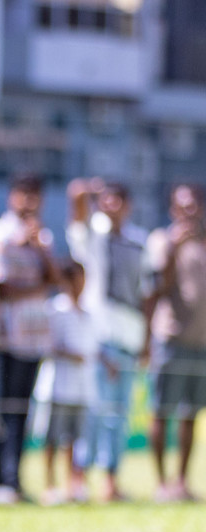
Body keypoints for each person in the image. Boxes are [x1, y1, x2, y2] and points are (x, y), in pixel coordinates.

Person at [67, 178, 149, 503]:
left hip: (130, 338)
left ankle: (110, 483)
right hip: (98, 340)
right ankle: (79, 479)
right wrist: (89, 190)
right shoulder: (93, 236)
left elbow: (145, 295)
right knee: (94, 413)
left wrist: (146, 341)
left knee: (120, 416)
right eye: (108, 201)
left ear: (129, 205)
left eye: (119, 200)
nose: (112, 207)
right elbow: (75, 200)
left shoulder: (138, 242)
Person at [0, 174, 61, 504]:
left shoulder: (43, 236)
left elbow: (57, 279)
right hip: (5, 336)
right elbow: (1, 288)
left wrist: (41, 251)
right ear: (11, 196)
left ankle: (14, 480)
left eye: (35, 195)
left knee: (23, 412)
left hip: (35, 337)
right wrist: (36, 287)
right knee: (2, 409)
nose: (29, 202)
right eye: (23, 194)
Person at [144, 183, 206, 502]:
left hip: (201, 343)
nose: (190, 212)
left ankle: (181, 483)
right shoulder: (161, 240)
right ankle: (160, 483)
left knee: (190, 415)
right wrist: (174, 250)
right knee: (161, 411)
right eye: (183, 206)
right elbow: (157, 288)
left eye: (195, 205)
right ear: (172, 209)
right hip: (169, 339)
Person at [43, 262, 96, 505]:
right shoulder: (55, 310)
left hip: (82, 387)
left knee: (74, 439)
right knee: (53, 437)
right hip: (58, 385)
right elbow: (48, 344)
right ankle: (49, 484)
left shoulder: (88, 312)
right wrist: (69, 354)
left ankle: (72, 484)